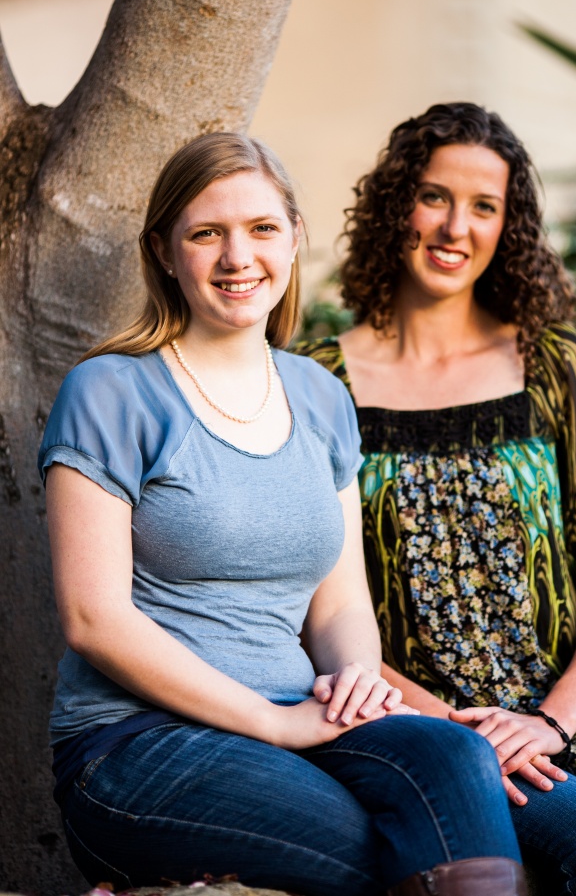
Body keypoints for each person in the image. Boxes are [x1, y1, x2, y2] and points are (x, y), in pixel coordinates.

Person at [39, 131, 528, 896]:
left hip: (305, 724)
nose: (238, 257)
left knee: (452, 759)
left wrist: (358, 682)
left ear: (294, 238)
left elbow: (336, 601)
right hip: (139, 747)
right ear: (165, 252)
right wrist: (275, 723)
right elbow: (92, 617)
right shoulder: (110, 391)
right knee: (384, 851)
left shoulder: (319, 395)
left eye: (261, 228)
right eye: (206, 233)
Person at [296, 103, 576, 896]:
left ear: (510, 228)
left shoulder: (554, 363)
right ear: (395, 205)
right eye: (433, 196)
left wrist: (548, 721)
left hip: (575, 713)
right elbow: (307, 600)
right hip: (426, 725)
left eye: (483, 206)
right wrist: (466, 729)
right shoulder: (318, 380)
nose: (453, 226)